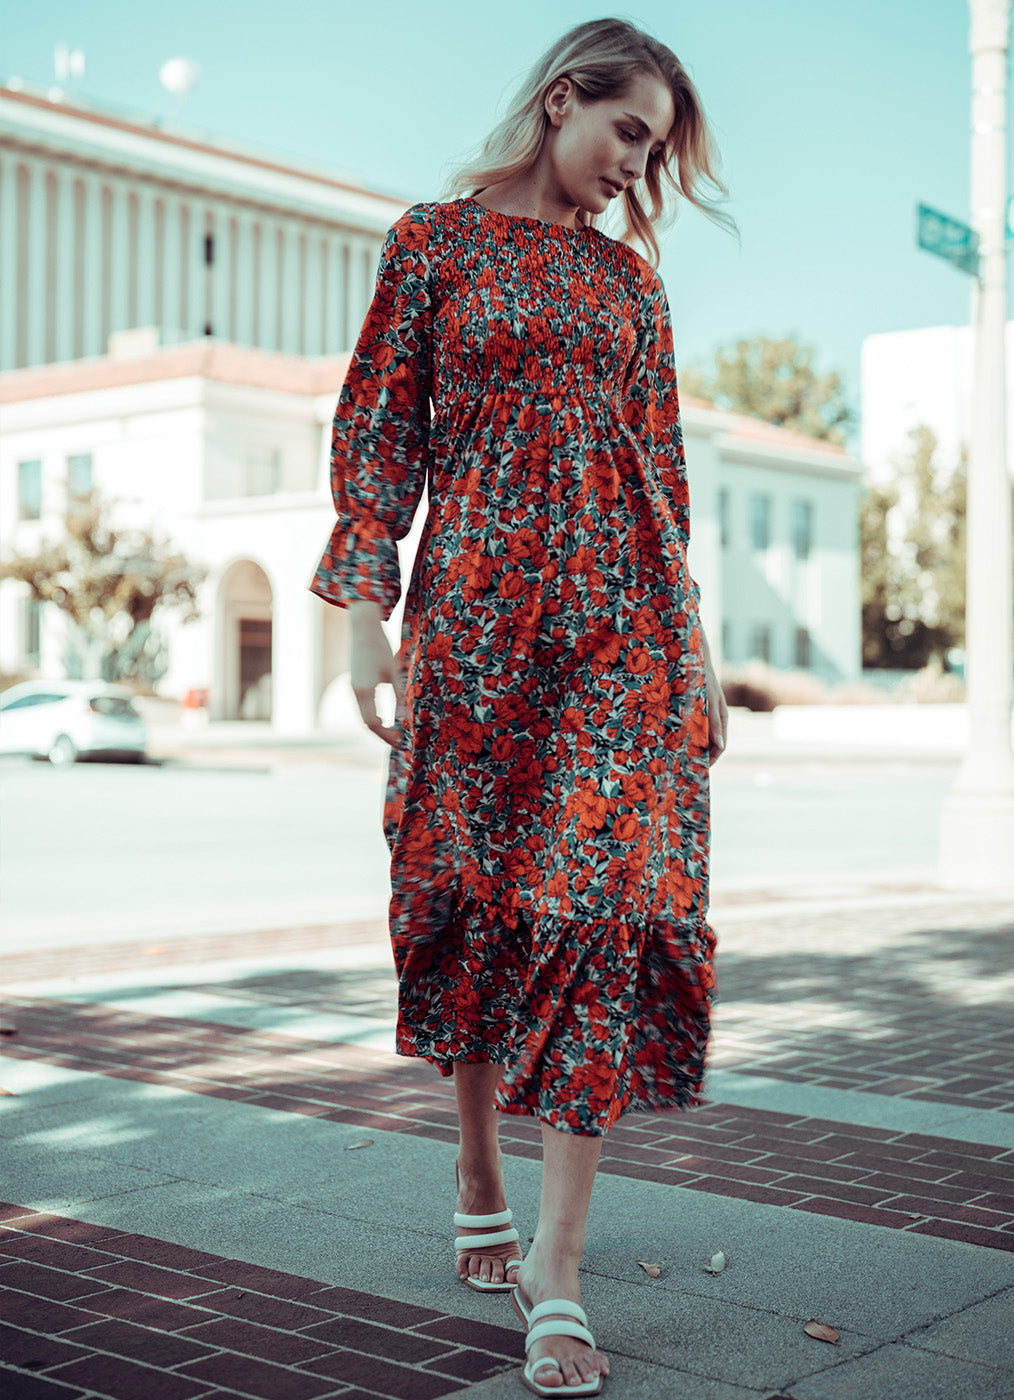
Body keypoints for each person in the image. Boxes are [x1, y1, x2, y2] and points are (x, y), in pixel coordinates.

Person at [309, 16, 736, 1395]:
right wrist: (364, 618)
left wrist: (694, 646)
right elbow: (383, 432)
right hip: (481, 624)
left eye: (653, 151)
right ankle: (478, 1167)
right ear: (562, 101)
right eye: (627, 132)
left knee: (602, 913)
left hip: (622, 631)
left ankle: (557, 1264)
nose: (635, 167)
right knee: (476, 894)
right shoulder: (433, 243)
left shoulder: (630, 284)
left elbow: (661, 473)